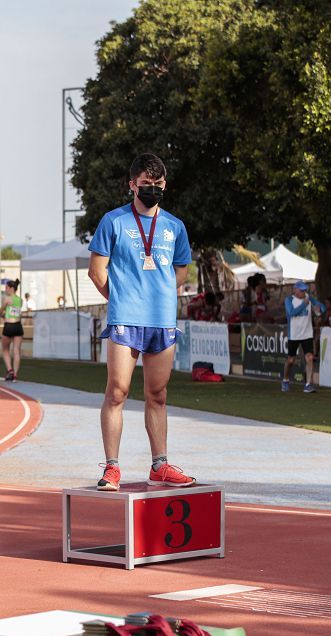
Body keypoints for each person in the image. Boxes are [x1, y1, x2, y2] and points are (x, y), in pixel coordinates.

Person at [88, 153, 195, 491]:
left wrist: (160, 294)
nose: (152, 190)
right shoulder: (113, 221)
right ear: (131, 184)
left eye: (158, 186)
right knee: (117, 391)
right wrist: (120, 298)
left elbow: (182, 270)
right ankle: (112, 467)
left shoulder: (175, 226)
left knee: (158, 394)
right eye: (146, 185)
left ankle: (160, 465)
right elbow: (96, 270)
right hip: (125, 319)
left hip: (162, 320)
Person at [281, 281, 325, 393]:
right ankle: (285, 380)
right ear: (295, 289)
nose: (304, 292)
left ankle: (308, 384)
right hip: (294, 334)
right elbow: (291, 312)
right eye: (301, 290)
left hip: (307, 334)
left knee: (309, 357)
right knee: (291, 360)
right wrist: (304, 305)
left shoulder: (308, 298)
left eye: (305, 290)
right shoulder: (289, 300)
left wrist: (319, 309)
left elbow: (322, 307)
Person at [0, 279, 24, 381]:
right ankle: (15, 375)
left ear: (12, 288)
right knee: (16, 351)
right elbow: (13, 312)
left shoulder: (7, 299)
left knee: (5, 350)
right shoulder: (20, 300)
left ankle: (10, 370)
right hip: (18, 326)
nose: (5, 289)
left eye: (7, 287)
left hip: (9, 326)